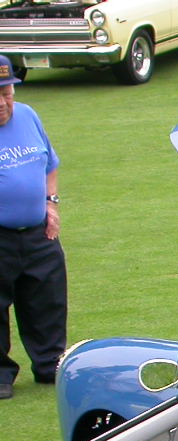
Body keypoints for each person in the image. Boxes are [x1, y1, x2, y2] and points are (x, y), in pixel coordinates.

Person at [0, 54, 66, 400]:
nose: (2, 103)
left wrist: (50, 204)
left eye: (6, 93)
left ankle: (49, 364)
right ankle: (0, 374)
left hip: (39, 231)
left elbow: (49, 165)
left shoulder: (27, 116)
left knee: (47, 300)